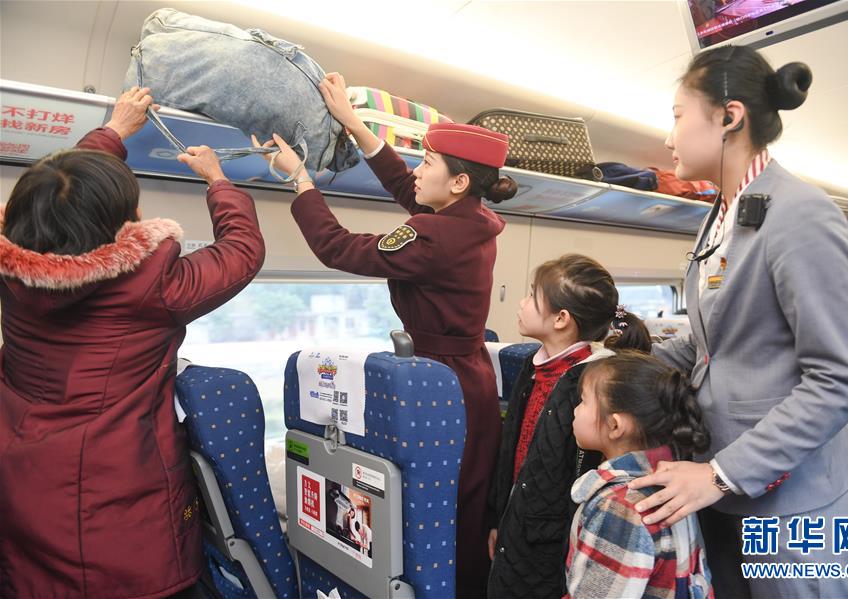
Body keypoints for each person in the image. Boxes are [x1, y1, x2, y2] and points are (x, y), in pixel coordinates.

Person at [255, 72, 517, 596]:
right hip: (468, 381)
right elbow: (406, 187)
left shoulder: (434, 234)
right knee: (460, 510)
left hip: (439, 385)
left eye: (428, 163)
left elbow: (337, 247)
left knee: (435, 513)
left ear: (459, 182)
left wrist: (300, 180)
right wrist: (354, 124)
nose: (418, 171)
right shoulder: (470, 219)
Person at [0, 87, 265, 598]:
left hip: (22, 483)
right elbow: (241, 250)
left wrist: (114, 130)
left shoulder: (13, 270)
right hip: (115, 504)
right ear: (122, 221)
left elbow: (60, 194)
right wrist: (218, 180)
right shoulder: (152, 285)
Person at [628, 45, 848, 597]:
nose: (668, 137)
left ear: (729, 116)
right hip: (722, 485)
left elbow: (840, 379)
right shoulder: (721, 214)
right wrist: (620, 357)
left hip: (799, 501)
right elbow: (715, 343)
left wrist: (721, 474)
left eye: (677, 115)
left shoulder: (802, 213)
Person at [486, 254, 650, 598]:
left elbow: (582, 476)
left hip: (552, 542)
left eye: (532, 296)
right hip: (516, 524)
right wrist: (498, 519)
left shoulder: (591, 381)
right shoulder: (532, 366)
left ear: (561, 319)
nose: (522, 303)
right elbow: (511, 451)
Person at [566, 351, 713, 598]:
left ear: (615, 425)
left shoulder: (620, 507)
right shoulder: (675, 482)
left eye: (583, 401)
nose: (575, 410)